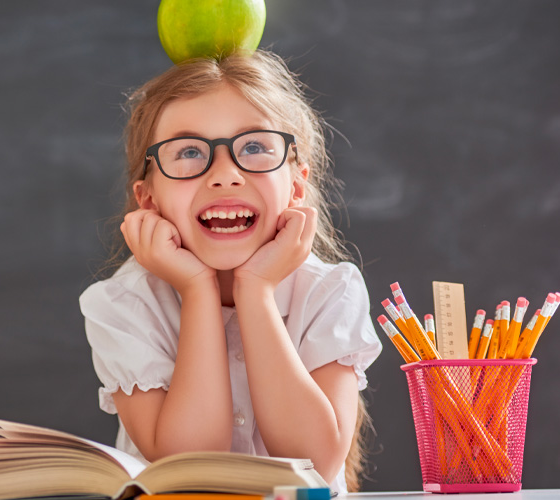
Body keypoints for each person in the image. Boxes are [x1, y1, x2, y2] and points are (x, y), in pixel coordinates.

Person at [79, 50, 382, 493]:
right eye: (187, 151)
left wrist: (255, 292)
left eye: (255, 147)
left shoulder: (330, 291)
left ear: (296, 185)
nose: (224, 175)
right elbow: (189, 468)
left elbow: (314, 465)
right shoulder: (123, 305)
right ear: (148, 199)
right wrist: (198, 290)